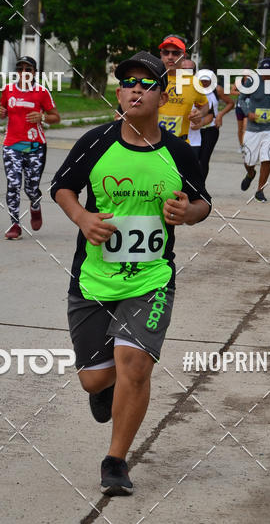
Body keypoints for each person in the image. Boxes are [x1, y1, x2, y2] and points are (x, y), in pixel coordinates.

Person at [51, 50, 211, 496]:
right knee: (95, 377)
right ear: (118, 93)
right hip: (93, 278)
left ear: (163, 95)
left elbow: (203, 203)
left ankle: (115, 461)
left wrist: (187, 211)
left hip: (152, 278)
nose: (135, 89)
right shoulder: (96, 141)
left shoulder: (177, 152)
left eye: (147, 83)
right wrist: (83, 217)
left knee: (135, 365)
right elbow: (61, 187)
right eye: (127, 83)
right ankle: (102, 392)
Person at [0, 56, 60, 238]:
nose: (24, 73)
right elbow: (2, 109)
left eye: (28, 69)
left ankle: (35, 205)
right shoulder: (8, 90)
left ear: (34, 73)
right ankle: (15, 224)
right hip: (12, 145)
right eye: (20, 69)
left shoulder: (42, 92)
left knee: (31, 187)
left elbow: (56, 117)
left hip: (35, 147)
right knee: (13, 185)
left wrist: (43, 117)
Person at [240, 56, 270, 202]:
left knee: (266, 157)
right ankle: (250, 174)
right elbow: (241, 99)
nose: (265, 74)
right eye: (263, 71)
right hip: (253, 128)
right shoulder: (252, 82)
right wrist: (248, 112)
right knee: (249, 161)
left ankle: (260, 190)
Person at [157, 36, 209, 139]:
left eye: (175, 53)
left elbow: (205, 105)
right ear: (161, 55)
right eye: (166, 53)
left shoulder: (193, 81)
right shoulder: (150, 79)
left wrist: (200, 113)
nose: (170, 57)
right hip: (153, 144)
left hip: (180, 143)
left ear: (184, 57)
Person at [188, 69, 231, 178]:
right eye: (202, 80)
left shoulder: (217, 90)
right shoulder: (191, 89)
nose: (204, 83)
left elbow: (231, 103)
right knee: (193, 159)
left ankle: (201, 187)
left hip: (211, 129)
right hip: (193, 129)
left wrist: (220, 115)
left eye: (207, 81)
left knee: (203, 160)